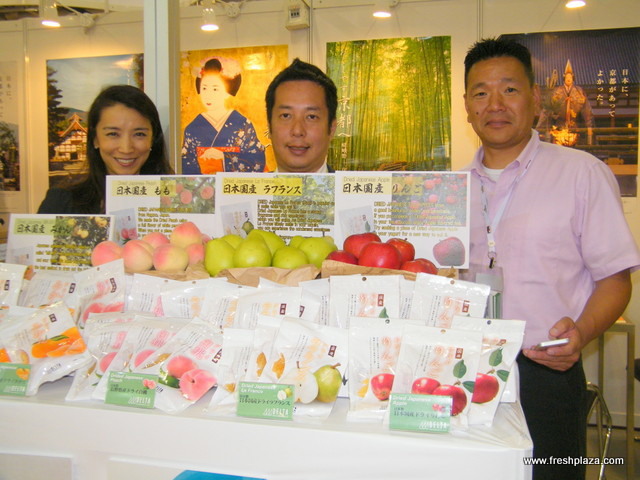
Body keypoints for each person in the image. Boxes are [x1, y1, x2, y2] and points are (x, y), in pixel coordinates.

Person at [462, 38, 639, 480]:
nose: (495, 104)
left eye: (510, 89)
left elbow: (615, 280)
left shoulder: (581, 174)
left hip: (545, 371)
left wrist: (581, 332)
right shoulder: (448, 189)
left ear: (536, 98)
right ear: (467, 106)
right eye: (481, 92)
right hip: (463, 367)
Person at [38, 85, 173, 214]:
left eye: (139, 134)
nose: (126, 149)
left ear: (153, 139)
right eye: (113, 134)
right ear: (95, 139)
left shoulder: (176, 198)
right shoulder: (61, 202)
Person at [181, 56, 266, 174]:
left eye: (215, 89)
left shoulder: (242, 124)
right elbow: (186, 165)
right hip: (204, 184)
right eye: (204, 88)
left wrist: (224, 157)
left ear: (227, 92)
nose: (208, 95)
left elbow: (257, 160)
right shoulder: (192, 128)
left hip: (234, 184)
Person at [265, 58, 337, 173]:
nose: (297, 131)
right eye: (286, 116)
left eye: (311, 117)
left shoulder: (350, 185)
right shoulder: (242, 185)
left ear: (332, 128)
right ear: (269, 126)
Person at [536, 59, 594, 146]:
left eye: (570, 77)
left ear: (573, 78)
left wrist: (589, 126)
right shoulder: (557, 92)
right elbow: (547, 110)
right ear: (564, 79)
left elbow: (587, 111)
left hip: (574, 127)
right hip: (559, 127)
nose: (568, 79)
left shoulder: (579, 92)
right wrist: (539, 127)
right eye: (567, 77)